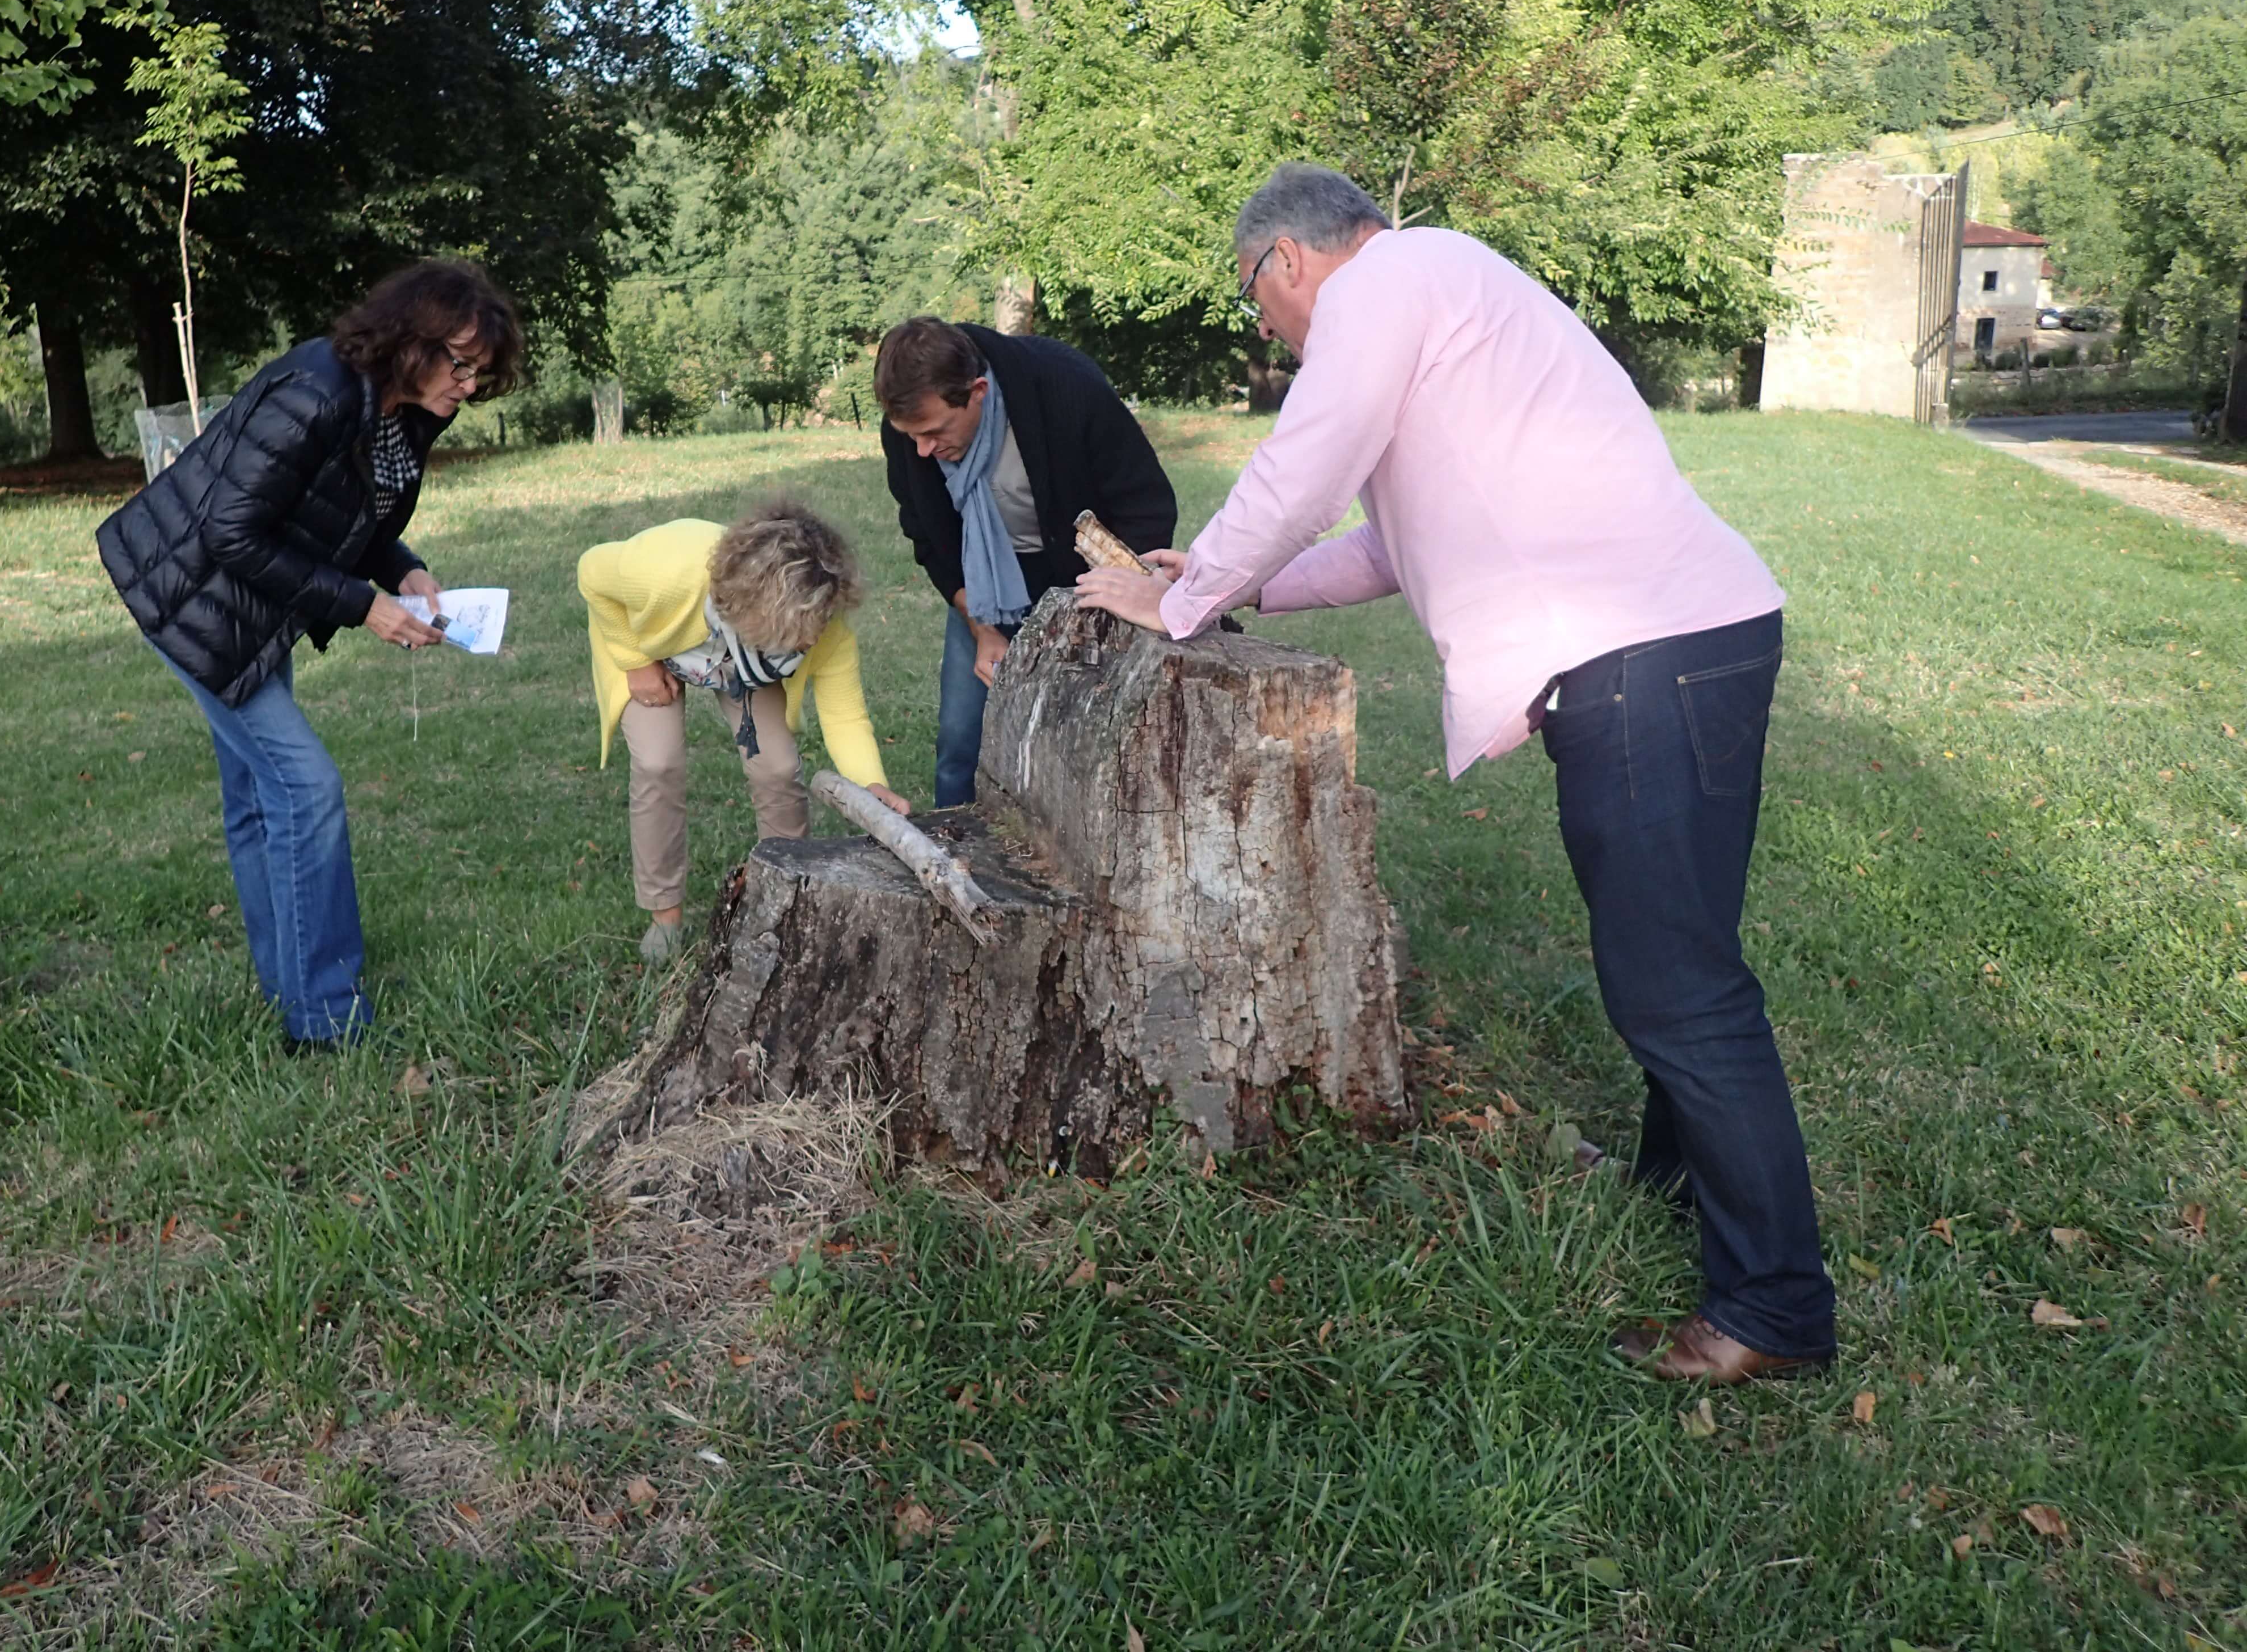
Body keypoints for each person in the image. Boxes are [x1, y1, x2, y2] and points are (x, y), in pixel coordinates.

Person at [1077, 162, 1832, 1384]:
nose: (1263, 327)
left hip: (1650, 657)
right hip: (1685, 644)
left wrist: (1185, 598)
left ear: (1285, 261)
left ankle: (1775, 1313)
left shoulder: (1391, 283)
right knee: (1680, 957)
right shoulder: (1440, 293)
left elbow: (1304, 463)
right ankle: (1675, 1189)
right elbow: (1389, 538)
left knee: (1678, 990)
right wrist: (1237, 585)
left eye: (1251, 299)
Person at [96, 257, 522, 1052]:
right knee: (306, 787)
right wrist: (365, 606)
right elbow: (230, 531)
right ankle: (325, 1020)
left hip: (255, 606)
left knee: (263, 799)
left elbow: (346, 510)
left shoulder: (407, 409)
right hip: (192, 599)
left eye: (480, 374)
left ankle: (290, 987)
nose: (468, 386)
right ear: (410, 339)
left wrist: (401, 568)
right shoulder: (317, 393)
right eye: (461, 364)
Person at [581, 501, 911, 964]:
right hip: (654, 652)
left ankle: (790, 898)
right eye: (802, 629)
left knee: (776, 767)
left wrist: (871, 783)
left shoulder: (823, 623)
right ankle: (664, 916)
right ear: (761, 611)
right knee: (659, 763)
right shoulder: (661, 571)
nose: (813, 640)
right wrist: (636, 663)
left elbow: (845, 713)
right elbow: (592, 571)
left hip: (746, 668)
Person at [875, 316, 1175, 807]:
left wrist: (1111, 598)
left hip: (1083, 582)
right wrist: (982, 628)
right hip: (985, 585)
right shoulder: (912, 430)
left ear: (978, 392)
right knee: (960, 743)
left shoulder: (1067, 388)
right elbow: (928, 536)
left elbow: (1147, 506)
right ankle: (954, 859)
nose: (922, 451)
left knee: (1079, 739)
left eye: (933, 432)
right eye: (911, 437)